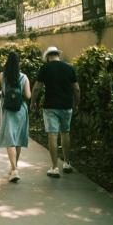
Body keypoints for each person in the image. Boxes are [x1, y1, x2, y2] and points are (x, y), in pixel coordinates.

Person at [31, 46, 80, 177]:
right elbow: (76, 89)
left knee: (52, 135)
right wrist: (76, 104)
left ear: (47, 57)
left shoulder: (45, 68)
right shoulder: (69, 68)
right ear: (58, 55)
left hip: (50, 106)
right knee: (65, 133)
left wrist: (33, 102)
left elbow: (37, 88)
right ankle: (67, 163)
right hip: (66, 106)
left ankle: (54, 167)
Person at [0, 52, 31, 182]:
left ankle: (14, 169)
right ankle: (14, 167)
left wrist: (4, 93)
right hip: (21, 110)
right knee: (18, 138)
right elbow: (28, 96)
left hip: (7, 110)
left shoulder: (1, 76)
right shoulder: (24, 77)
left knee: (10, 139)